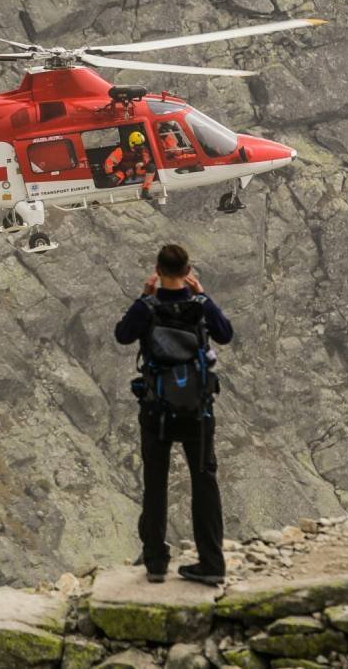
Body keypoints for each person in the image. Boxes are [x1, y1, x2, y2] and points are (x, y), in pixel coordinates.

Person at [115, 244, 233, 585]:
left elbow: (123, 336)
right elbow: (225, 334)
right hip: (198, 410)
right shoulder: (199, 306)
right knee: (204, 482)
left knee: (155, 483)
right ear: (188, 269)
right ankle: (211, 563)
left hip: (157, 409)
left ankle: (155, 562)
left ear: (157, 270)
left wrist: (142, 296)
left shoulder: (147, 308)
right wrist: (205, 297)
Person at [103, 130, 157, 196]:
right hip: (124, 172)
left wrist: (142, 163)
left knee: (151, 167)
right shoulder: (121, 150)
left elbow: (147, 159)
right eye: (138, 145)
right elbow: (109, 162)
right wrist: (110, 174)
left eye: (141, 145)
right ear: (132, 143)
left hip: (138, 170)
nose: (140, 147)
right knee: (111, 181)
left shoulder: (143, 149)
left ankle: (145, 190)